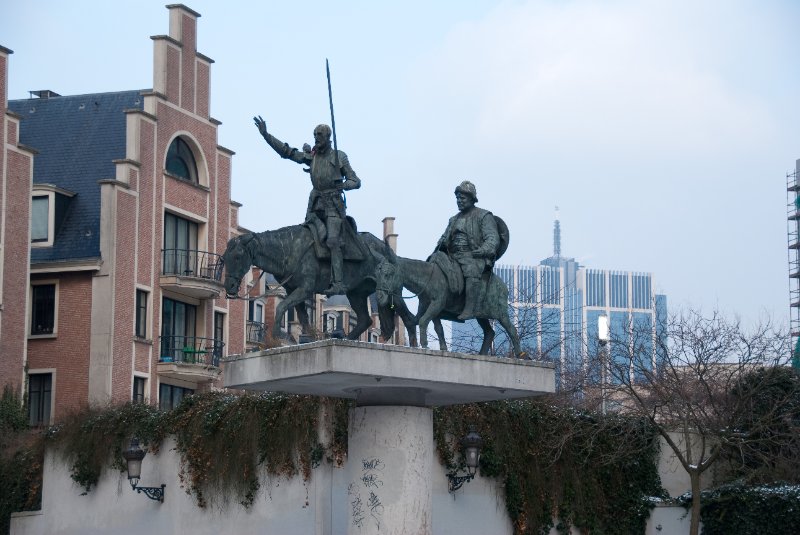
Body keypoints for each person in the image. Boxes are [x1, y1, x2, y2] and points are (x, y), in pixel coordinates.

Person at [253, 117, 361, 295]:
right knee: (302, 239)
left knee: (333, 241)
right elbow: (288, 152)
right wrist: (266, 135)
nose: (316, 138)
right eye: (314, 135)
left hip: (333, 206)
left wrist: (343, 185)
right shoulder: (313, 157)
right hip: (315, 206)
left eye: (319, 135)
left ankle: (339, 282)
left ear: (328, 137)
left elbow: (356, 181)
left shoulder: (339, 157)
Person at [433, 181, 500, 319]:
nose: (459, 201)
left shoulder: (483, 216)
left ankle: (470, 309)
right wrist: (440, 245)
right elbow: (444, 237)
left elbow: (492, 239)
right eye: (457, 198)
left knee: (470, 269)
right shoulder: (453, 219)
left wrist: (482, 251)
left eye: (462, 198)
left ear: (471, 198)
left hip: (474, 256)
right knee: (434, 265)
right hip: (453, 256)